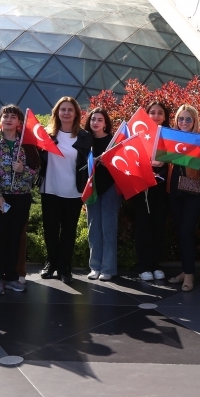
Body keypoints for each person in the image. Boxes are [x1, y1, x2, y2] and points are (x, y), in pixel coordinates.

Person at [0, 105, 39, 295]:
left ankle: (12, 277)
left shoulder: (26, 143)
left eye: (13, 117)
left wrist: (23, 170)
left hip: (21, 196)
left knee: (15, 237)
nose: (8, 119)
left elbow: (36, 172)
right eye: (5, 116)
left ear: (19, 122)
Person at [39, 96, 92, 283]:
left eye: (70, 110)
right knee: (50, 230)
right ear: (57, 113)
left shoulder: (84, 137)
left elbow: (88, 163)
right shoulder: (47, 135)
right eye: (63, 109)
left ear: (76, 113)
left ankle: (65, 268)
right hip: (50, 189)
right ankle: (51, 263)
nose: (66, 113)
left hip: (73, 191)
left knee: (68, 231)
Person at [166, 104, 200, 292]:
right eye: (181, 118)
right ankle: (185, 270)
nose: (184, 122)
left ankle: (189, 275)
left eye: (188, 119)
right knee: (180, 233)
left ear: (194, 121)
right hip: (174, 192)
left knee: (186, 233)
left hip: (194, 192)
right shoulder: (170, 138)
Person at [133, 101, 170, 281]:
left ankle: (156, 265)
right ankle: (144, 266)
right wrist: (147, 165)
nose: (156, 116)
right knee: (143, 227)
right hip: (142, 188)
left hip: (161, 189)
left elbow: (174, 161)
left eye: (160, 113)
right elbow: (131, 157)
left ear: (165, 116)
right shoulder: (138, 135)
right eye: (152, 112)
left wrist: (161, 168)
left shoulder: (169, 137)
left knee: (158, 227)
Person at [84, 108, 119, 281]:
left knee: (109, 228)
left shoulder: (113, 141)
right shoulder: (85, 140)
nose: (95, 122)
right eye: (93, 119)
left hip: (110, 188)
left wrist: (108, 163)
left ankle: (108, 268)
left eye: (99, 119)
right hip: (92, 187)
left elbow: (122, 164)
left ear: (105, 123)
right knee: (94, 228)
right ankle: (95, 266)